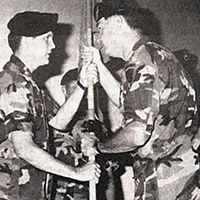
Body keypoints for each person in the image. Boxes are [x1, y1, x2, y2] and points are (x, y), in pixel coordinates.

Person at [81, 1, 200, 199]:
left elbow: (136, 134)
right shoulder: (153, 54)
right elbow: (132, 105)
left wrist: (99, 146)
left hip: (168, 179)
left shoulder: (141, 62)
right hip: (181, 174)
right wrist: (100, 68)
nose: (98, 38)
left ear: (118, 22)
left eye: (100, 28)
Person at [0, 11, 100, 200]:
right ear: (28, 41)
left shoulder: (29, 84)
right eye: (47, 39)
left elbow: (55, 124)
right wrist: (76, 173)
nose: (53, 46)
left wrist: (81, 86)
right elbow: (24, 148)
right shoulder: (13, 84)